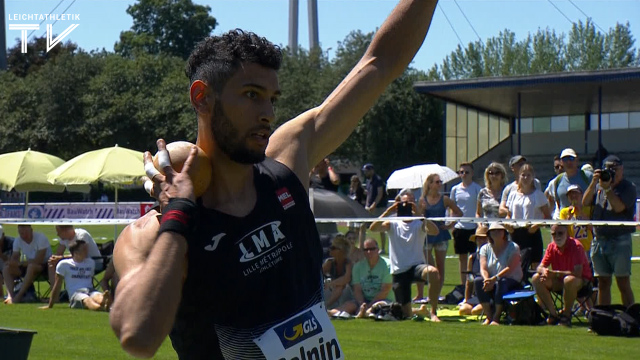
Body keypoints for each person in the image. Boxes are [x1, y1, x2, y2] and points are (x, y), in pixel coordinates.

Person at [109, 2, 439, 358]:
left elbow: (380, 62)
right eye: (252, 95)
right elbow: (137, 335)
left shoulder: (285, 162)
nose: (267, 114)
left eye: (272, 98)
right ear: (202, 98)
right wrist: (179, 211)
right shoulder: (154, 233)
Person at [369, 193, 441, 321]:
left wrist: (419, 214)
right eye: (404, 202)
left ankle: (433, 312)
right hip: (399, 271)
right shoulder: (392, 223)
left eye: (411, 202)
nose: (407, 205)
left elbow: (435, 231)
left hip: (416, 266)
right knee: (406, 314)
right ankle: (420, 310)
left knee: (433, 272)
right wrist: (389, 211)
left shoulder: (420, 223)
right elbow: (373, 228)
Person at [583, 155, 636, 307]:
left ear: (622, 169)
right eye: (608, 169)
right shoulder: (600, 185)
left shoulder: (628, 187)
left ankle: (631, 317)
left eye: (615, 169)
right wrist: (594, 183)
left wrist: (607, 189)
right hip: (599, 239)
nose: (611, 173)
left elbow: (619, 208)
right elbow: (585, 202)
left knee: (622, 281)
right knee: (603, 282)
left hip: (620, 240)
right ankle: (604, 317)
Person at [532, 224, 592, 326]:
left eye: (560, 233)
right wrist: (544, 271)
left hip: (581, 283)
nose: (557, 236)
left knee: (569, 280)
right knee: (536, 278)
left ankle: (566, 315)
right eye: (554, 234)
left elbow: (578, 273)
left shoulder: (576, 246)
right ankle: (553, 314)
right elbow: (539, 267)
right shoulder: (551, 247)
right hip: (560, 281)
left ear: (567, 233)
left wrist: (555, 274)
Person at [419, 173, 462, 293]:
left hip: (441, 235)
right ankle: (432, 288)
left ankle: (437, 292)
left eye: (440, 182)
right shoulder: (423, 199)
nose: (439, 184)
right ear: (430, 184)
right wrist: (421, 209)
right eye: (437, 182)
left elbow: (459, 213)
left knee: (440, 265)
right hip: (427, 236)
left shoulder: (444, 199)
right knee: (429, 264)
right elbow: (419, 218)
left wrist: (450, 225)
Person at [39, 240, 110, 312]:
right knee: (87, 300)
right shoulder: (64, 264)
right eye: (84, 249)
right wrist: (50, 304)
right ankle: (100, 307)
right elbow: (57, 285)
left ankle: (103, 301)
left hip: (90, 290)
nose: (87, 251)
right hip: (75, 293)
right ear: (76, 252)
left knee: (97, 296)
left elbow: (90, 280)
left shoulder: (90, 262)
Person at [474, 222, 523, 326]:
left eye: (499, 230)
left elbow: (510, 268)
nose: (496, 232)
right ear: (489, 234)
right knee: (478, 281)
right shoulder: (485, 248)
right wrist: (487, 279)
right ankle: (489, 316)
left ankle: (496, 317)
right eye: (493, 231)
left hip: (511, 280)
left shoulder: (513, 247)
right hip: (492, 280)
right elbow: (483, 267)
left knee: (502, 282)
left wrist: (494, 279)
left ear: (504, 233)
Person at [504, 164, 551, 268]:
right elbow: (509, 215)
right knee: (516, 265)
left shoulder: (538, 195)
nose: (525, 178)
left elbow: (547, 216)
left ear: (533, 177)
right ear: (519, 176)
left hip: (531, 232)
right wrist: (507, 225)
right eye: (523, 175)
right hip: (515, 232)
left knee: (534, 266)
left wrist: (536, 226)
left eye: (528, 175)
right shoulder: (513, 194)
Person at [450, 163, 482, 287]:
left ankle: (474, 284)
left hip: (474, 228)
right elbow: (453, 209)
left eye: (466, 172)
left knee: (474, 258)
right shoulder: (455, 189)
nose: (463, 174)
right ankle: (464, 285)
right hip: (459, 228)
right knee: (462, 258)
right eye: (461, 172)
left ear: (472, 174)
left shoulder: (477, 189)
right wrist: (452, 225)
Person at [2, 225, 51, 304]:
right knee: (6, 268)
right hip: (27, 266)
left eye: (25, 233)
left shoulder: (41, 238)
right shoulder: (18, 240)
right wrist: (12, 263)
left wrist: (20, 263)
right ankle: (10, 296)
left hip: (45, 267)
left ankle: (19, 295)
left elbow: (39, 260)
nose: (23, 236)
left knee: (31, 267)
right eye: (21, 233)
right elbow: (15, 257)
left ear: (31, 230)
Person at [351, 238, 395, 319]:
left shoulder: (388, 265)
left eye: (372, 249)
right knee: (349, 305)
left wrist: (369, 305)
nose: (369, 252)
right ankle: (331, 313)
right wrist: (362, 304)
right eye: (366, 250)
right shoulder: (357, 266)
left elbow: (385, 290)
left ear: (378, 250)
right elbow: (357, 290)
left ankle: (364, 313)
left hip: (384, 300)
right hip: (364, 300)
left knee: (378, 306)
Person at [547, 148, 592, 220]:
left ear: (577, 160)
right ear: (561, 162)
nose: (568, 162)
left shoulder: (587, 176)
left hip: (585, 222)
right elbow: (558, 202)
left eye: (571, 158)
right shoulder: (558, 180)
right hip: (565, 223)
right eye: (565, 159)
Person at [459, 224, 489, 316]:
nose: (481, 241)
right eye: (479, 238)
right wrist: (467, 299)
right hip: (476, 296)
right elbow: (469, 280)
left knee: (475, 312)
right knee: (463, 311)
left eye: (484, 238)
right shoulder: (472, 257)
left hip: (487, 295)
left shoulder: (492, 256)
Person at [323, 235, 354, 316]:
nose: (330, 249)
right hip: (333, 290)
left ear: (341, 251)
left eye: (333, 248)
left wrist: (330, 283)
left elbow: (346, 279)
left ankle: (326, 306)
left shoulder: (348, 263)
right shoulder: (330, 263)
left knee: (340, 286)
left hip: (348, 292)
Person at [559, 184, 593, 257]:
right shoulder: (564, 212)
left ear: (581, 195)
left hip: (587, 247)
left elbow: (592, 228)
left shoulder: (588, 210)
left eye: (576, 194)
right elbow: (562, 230)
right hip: (573, 247)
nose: (573, 196)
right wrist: (569, 217)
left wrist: (581, 213)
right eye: (571, 195)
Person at [362, 163, 388, 254]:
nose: (365, 173)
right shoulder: (368, 181)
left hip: (379, 207)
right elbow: (369, 194)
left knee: (381, 227)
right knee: (363, 225)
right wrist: (367, 204)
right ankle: (362, 245)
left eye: (367, 171)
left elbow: (380, 193)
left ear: (371, 170)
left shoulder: (378, 180)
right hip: (370, 207)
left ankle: (383, 248)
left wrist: (374, 205)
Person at [0, 225, 16, 300]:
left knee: (6, 268)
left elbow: (12, 261)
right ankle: (1, 296)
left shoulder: (12, 242)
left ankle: (9, 295)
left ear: (3, 235)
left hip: (10, 267)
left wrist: (1, 255)